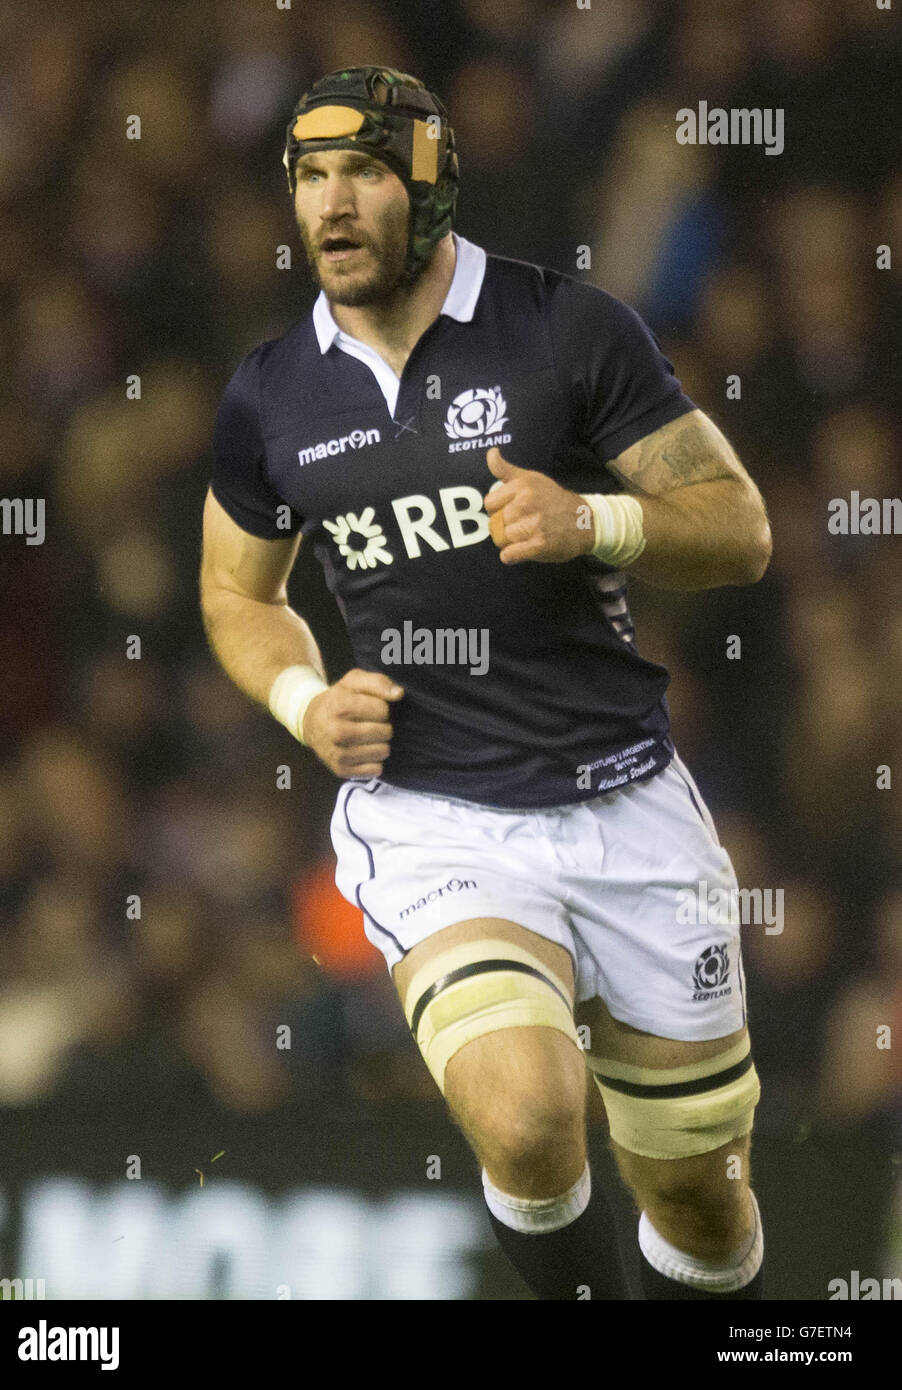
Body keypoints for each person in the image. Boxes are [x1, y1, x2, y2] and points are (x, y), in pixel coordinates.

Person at [200, 66, 773, 1300]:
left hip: (626, 805)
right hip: (437, 816)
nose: (331, 207)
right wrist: (307, 703)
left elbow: (738, 529)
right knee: (524, 1116)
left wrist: (595, 523)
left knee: (700, 1198)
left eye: (361, 173)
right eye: (308, 178)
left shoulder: (566, 327)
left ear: (431, 181)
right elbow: (236, 595)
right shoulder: (269, 395)